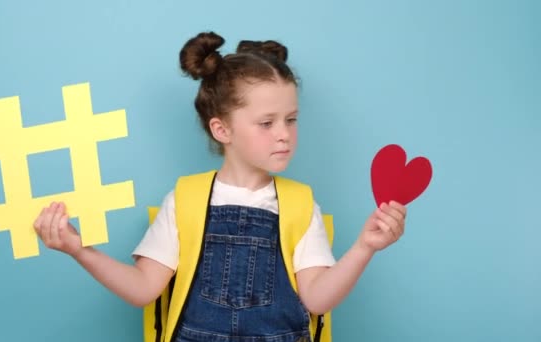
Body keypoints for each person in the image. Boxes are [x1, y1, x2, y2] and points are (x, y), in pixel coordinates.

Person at [33, 31, 407, 341]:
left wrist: (364, 247)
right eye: (267, 123)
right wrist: (79, 250)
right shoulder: (185, 199)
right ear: (222, 129)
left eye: (291, 119)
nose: (284, 135)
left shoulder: (299, 204)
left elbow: (317, 298)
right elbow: (144, 289)